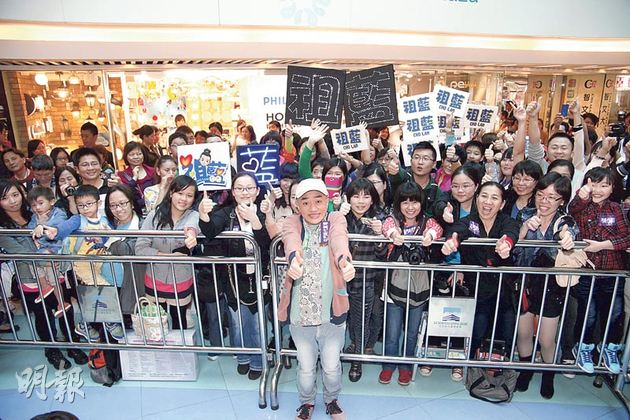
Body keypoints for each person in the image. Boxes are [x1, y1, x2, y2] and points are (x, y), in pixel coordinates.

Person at [277, 178, 355, 420]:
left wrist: (344, 261)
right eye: (306, 202)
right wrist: (293, 260)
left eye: (318, 201)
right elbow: (291, 240)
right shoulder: (292, 222)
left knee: (331, 367)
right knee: (306, 368)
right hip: (300, 315)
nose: (313, 208)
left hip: (332, 313)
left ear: (327, 201)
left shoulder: (335, 219)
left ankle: (332, 400)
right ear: (297, 205)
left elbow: (339, 239)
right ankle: (307, 403)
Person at [0, 179, 88, 369]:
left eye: (15, 195)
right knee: (43, 314)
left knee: (65, 308)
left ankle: (72, 342)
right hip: (30, 277)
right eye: (5, 198)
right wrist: (50, 259)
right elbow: (20, 252)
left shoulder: (35, 211)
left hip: (56, 271)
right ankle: (51, 348)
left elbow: (66, 222)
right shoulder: (3, 227)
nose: (12, 201)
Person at [198, 173, 271, 380]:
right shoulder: (226, 213)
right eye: (239, 188)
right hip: (232, 278)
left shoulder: (265, 211)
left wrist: (255, 219)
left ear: (257, 191)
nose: (244, 192)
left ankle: (258, 361)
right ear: (233, 192)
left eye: (249, 188)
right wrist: (203, 214)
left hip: (259, 277)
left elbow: (267, 244)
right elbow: (210, 230)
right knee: (237, 322)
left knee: (257, 323)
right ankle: (243, 358)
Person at [514, 173, 578, 399]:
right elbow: (512, 244)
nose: (544, 201)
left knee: (546, 338)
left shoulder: (565, 220)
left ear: (562, 200)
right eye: (541, 195)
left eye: (552, 197)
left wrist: (567, 238)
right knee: (523, 333)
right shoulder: (525, 214)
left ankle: (548, 374)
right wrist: (523, 229)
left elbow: (568, 233)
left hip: (552, 287)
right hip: (525, 281)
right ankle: (525, 370)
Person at [442, 181, 520, 356]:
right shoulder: (468, 221)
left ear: (502, 204)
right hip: (478, 288)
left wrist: (507, 244)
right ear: (477, 198)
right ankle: (470, 363)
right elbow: (456, 231)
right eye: (484, 196)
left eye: (494, 198)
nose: (488, 202)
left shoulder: (507, 221)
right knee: (477, 329)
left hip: (504, 289)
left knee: (507, 332)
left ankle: (500, 367)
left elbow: (512, 232)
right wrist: (451, 242)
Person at [379, 181, 442, 385]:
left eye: (414, 202)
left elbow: (437, 229)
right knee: (392, 331)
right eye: (405, 202)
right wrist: (393, 235)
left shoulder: (427, 222)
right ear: (399, 204)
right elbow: (386, 227)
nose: (410, 207)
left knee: (412, 332)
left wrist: (430, 236)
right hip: (394, 285)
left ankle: (405, 365)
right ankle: (389, 364)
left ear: (421, 203)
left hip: (419, 286)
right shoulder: (394, 221)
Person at [569, 167, 630, 374]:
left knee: (615, 312)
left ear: (612, 188)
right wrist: (582, 195)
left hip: (613, 272)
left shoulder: (618, 209)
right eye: (593, 184)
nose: (598, 189)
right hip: (587, 271)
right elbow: (572, 209)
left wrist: (602, 245)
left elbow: (626, 237)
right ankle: (583, 347)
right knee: (589, 313)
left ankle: (609, 348)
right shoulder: (581, 206)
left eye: (604, 185)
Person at [46, 185, 123, 342]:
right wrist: (55, 232)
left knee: (98, 293)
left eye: (89, 204)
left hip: (99, 261)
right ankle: (109, 322)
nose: (85, 208)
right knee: (102, 287)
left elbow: (110, 236)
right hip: (82, 263)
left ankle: (84, 323)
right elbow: (65, 227)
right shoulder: (78, 220)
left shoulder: (104, 220)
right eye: (81, 205)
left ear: (98, 203)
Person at [135, 176, 199, 330]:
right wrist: (170, 257)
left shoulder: (193, 215)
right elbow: (140, 248)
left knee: (179, 322)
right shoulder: (154, 215)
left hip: (181, 279)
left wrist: (191, 235)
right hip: (155, 277)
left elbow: (192, 227)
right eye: (180, 193)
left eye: (189, 195)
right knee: (155, 323)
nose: (184, 199)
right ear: (171, 193)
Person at [343, 178, 387, 382]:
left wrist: (379, 236)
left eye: (366, 196)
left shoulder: (379, 219)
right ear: (348, 198)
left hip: (366, 280)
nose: (361, 201)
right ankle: (353, 346)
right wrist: (338, 215)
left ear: (373, 199)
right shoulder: (340, 217)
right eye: (356, 196)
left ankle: (357, 360)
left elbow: (382, 255)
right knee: (345, 319)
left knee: (361, 320)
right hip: (341, 279)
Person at [28, 186, 72, 317]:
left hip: (55, 248)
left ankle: (46, 288)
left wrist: (42, 224)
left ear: (52, 201)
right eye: (33, 205)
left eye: (40, 203)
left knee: (35, 261)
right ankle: (60, 302)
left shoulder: (59, 212)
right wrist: (37, 225)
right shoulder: (35, 216)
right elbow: (30, 228)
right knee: (52, 278)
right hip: (42, 250)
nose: (37, 208)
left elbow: (59, 223)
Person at [105, 185, 144, 328]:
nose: (118, 209)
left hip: (129, 289)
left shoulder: (142, 225)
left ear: (132, 203)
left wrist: (108, 240)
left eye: (122, 203)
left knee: (130, 331)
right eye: (113, 205)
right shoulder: (108, 224)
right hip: (108, 288)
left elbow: (129, 250)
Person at [388, 141, 445, 218]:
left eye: (425, 158)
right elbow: (396, 176)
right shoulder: (404, 177)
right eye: (416, 157)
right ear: (411, 160)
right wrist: (394, 171)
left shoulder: (435, 189)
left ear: (434, 163)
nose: (420, 162)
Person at [117, 141, 155, 209]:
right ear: (126, 156)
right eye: (131, 154)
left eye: (139, 154)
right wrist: (134, 178)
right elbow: (126, 195)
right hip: (134, 210)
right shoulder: (122, 176)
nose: (136, 157)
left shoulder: (152, 171)